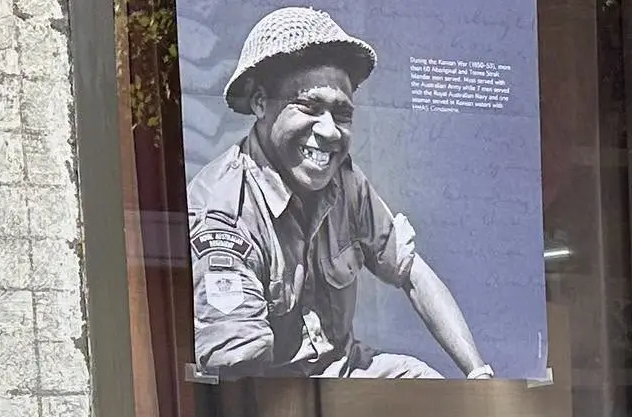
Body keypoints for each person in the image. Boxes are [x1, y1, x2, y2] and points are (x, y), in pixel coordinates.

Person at [187, 6, 494, 380]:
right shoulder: (223, 211)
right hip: (275, 396)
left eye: (342, 113)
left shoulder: (345, 182)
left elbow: (410, 271)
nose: (330, 131)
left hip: (343, 373)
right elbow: (239, 373)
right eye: (309, 106)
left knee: (424, 384)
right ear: (260, 103)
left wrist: (479, 374)